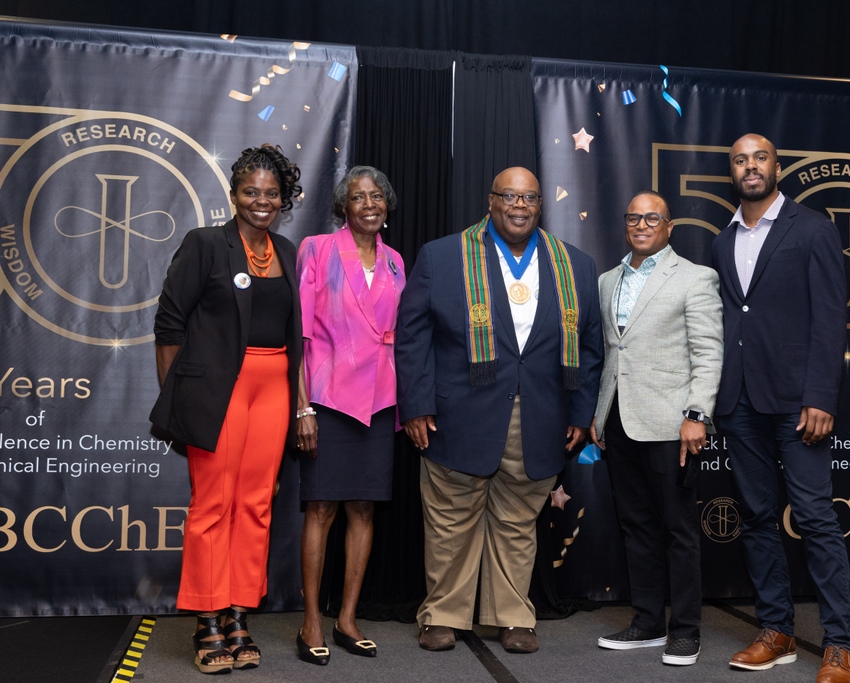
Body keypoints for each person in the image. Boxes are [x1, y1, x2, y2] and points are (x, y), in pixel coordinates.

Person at [396, 167, 603, 654]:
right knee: (451, 520)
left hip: (542, 416)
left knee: (517, 521)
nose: (519, 205)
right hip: (456, 415)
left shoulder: (574, 263)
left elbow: (590, 346)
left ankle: (511, 615)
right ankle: (443, 613)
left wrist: (580, 411)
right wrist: (417, 406)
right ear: (490, 201)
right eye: (509, 196)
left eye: (529, 197)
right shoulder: (442, 256)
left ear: (539, 205)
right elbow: (413, 339)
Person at [711, 133, 850, 683]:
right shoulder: (723, 240)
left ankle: (841, 645)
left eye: (760, 158)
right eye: (740, 160)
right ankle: (776, 631)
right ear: (732, 171)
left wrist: (821, 395)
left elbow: (830, 319)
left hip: (799, 403)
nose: (750, 167)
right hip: (741, 401)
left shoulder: (814, 228)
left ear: (778, 167)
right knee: (755, 517)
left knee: (816, 518)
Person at [150, 144, 304, 674]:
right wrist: (178, 399)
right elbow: (169, 325)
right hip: (217, 390)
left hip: (274, 385)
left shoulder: (287, 250)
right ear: (234, 194)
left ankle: (239, 613)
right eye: (250, 192)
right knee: (212, 503)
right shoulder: (206, 244)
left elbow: (295, 335)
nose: (260, 201)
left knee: (257, 504)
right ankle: (206, 618)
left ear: (283, 199)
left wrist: (300, 401)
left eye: (271, 194)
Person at [590, 190, 723, 666]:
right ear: (625, 225)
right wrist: (598, 414)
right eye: (634, 218)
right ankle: (647, 623)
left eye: (652, 218)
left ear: (669, 226)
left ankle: (685, 631)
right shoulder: (608, 281)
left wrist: (696, 414)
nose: (641, 225)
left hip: (673, 424)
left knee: (678, 530)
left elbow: (708, 353)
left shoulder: (695, 278)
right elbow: (611, 355)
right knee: (636, 527)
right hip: (619, 421)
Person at [293, 167, 406, 666]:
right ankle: (312, 620)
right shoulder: (316, 249)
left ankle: (348, 618)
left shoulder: (398, 262)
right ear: (343, 206)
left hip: (379, 401)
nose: (368, 204)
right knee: (321, 510)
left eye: (376, 196)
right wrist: (303, 407)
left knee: (363, 510)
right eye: (358, 197)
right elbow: (301, 336)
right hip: (328, 397)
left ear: (387, 205)